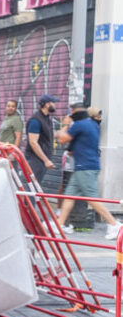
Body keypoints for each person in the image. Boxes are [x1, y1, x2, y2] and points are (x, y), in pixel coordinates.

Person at [56, 105, 122, 239]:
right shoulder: (92, 125)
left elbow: (62, 139)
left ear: (74, 112)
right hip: (86, 166)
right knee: (69, 196)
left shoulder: (78, 125)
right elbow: (75, 147)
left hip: (85, 167)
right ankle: (59, 224)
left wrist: (65, 125)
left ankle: (114, 224)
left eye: (71, 112)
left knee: (91, 199)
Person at [24, 94, 59, 185]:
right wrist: (46, 160)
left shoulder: (47, 119)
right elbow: (33, 142)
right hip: (35, 160)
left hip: (41, 160)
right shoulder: (35, 121)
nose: (55, 105)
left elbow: (47, 135)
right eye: (53, 102)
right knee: (31, 186)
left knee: (35, 185)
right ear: (47, 104)